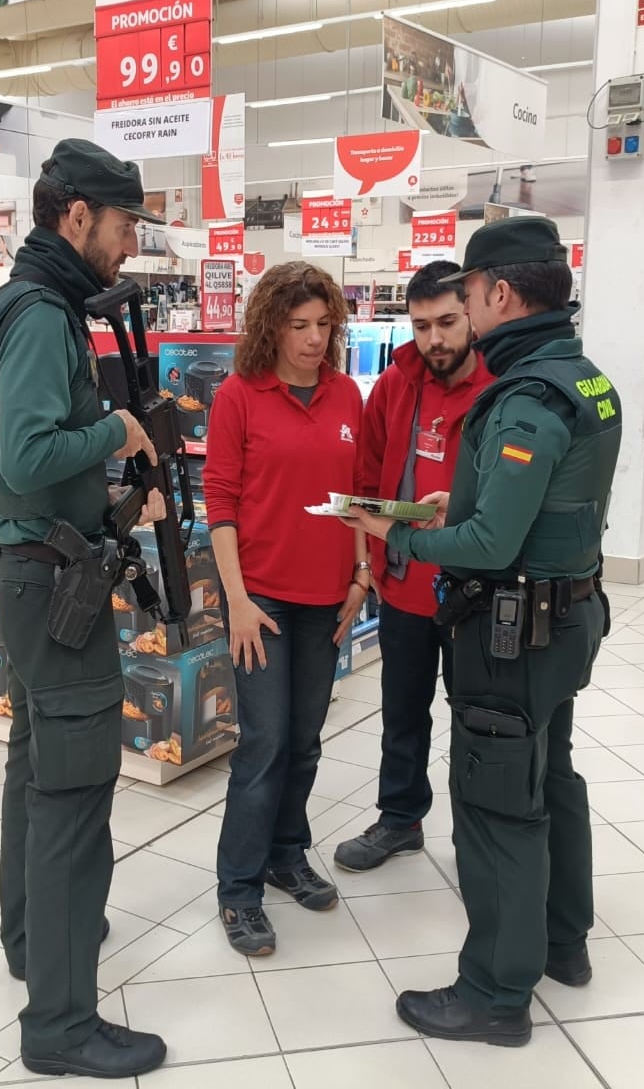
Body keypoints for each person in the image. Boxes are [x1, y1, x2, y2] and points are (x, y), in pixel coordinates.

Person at [341, 216, 618, 1048]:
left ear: (497, 293)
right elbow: (532, 511)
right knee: (551, 776)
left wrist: (404, 536)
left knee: (499, 806)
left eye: (463, 296)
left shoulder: (526, 395)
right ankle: (564, 944)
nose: (455, 312)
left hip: (512, 631)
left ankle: (496, 993)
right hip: (565, 616)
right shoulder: (584, 378)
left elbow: (494, 543)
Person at [0, 138, 170, 1080]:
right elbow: (33, 457)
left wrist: (119, 500)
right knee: (75, 798)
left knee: (37, 772)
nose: (131, 244)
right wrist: (118, 429)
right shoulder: (44, 314)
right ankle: (60, 1024)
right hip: (58, 591)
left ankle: (31, 943)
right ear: (76, 214)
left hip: (33, 571)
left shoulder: (22, 304)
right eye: (125, 225)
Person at [204, 262, 367, 957]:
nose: (312, 339)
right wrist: (237, 601)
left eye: (323, 325)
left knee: (305, 740)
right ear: (269, 325)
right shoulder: (239, 396)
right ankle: (238, 888)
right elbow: (220, 504)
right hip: (261, 599)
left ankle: (286, 853)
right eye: (298, 326)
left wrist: (362, 573)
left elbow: (359, 496)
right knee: (264, 743)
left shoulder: (346, 395)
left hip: (327, 596)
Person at [334, 259, 493, 873]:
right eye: (422, 325)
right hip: (404, 585)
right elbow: (370, 469)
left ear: (473, 314)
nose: (435, 339)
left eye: (448, 322)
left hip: (475, 591)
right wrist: (370, 557)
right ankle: (400, 819)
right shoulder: (398, 385)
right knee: (403, 710)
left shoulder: (503, 385)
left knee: (478, 719)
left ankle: (482, 834)